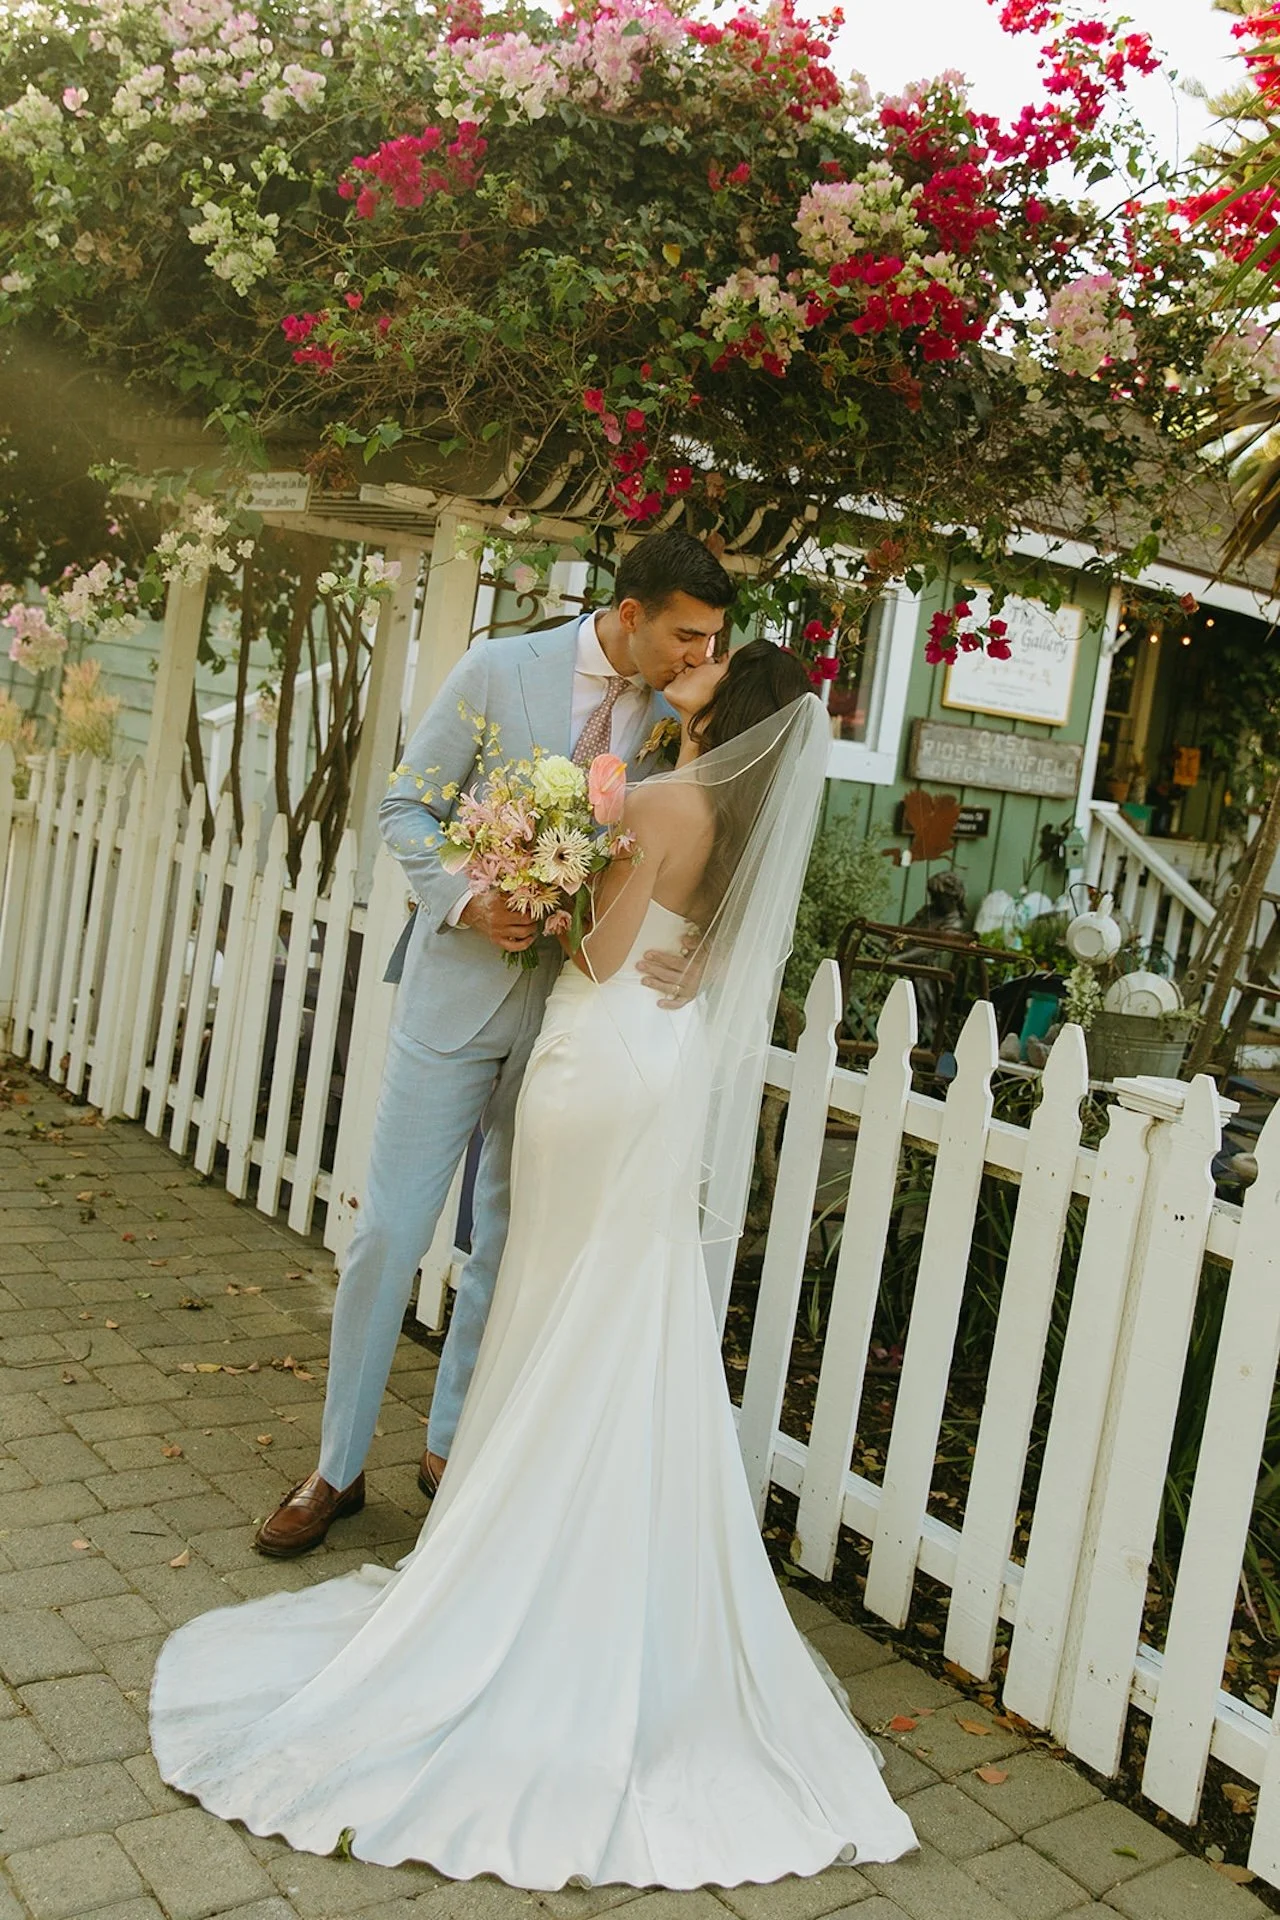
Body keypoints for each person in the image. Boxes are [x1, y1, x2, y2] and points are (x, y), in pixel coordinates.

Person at [151, 640, 918, 1890]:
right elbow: (694, 946)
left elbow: (598, 956)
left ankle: (526, 1550)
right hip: (650, 1072)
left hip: (591, 1061)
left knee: (560, 1296)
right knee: (620, 1304)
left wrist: (555, 875)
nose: (695, 662)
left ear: (731, 704)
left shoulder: (666, 800)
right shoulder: (732, 814)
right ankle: (607, 1555)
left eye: (714, 659)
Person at [254, 529, 734, 1556]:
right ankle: (335, 1466)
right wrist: (467, 898)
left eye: (712, 639)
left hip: (573, 1018)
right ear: (633, 611)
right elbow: (405, 803)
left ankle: (449, 1443)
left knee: (505, 1238)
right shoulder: (495, 665)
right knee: (390, 1229)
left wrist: (703, 950)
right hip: (456, 994)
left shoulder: (683, 720)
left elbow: (718, 844)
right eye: (686, 635)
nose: (699, 655)